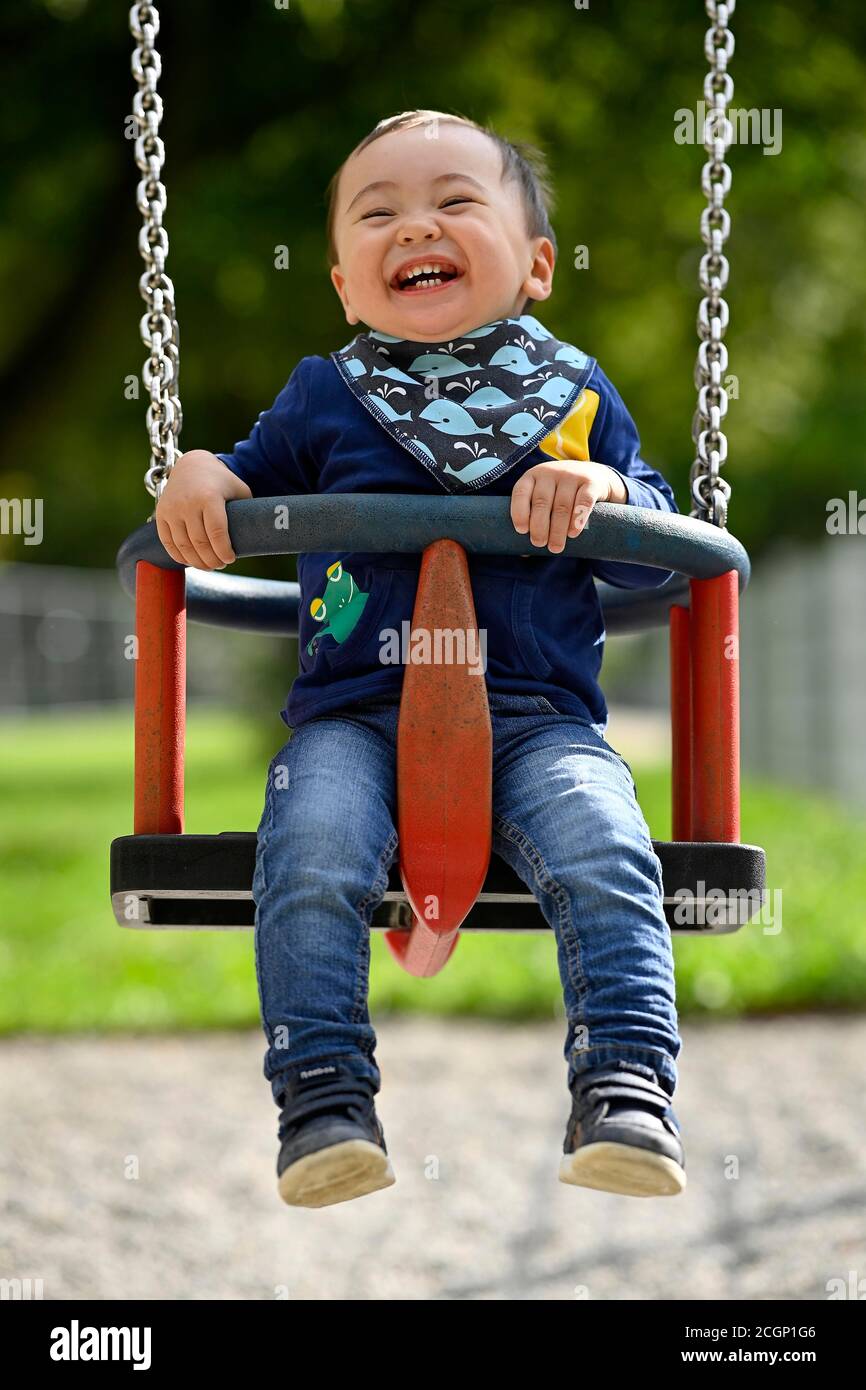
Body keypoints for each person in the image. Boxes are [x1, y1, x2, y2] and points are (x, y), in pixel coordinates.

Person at [154, 109, 686, 1208]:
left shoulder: (576, 396)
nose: (415, 226)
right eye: (378, 211)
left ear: (536, 264)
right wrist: (198, 469)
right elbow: (238, 478)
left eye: (453, 202)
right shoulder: (323, 394)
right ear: (347, 285)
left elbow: (659, 542)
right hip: (351, 712)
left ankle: (626, 1084)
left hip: (535, 714)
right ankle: (322, 1100)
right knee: (307, 848)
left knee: (604, 842)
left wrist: (605, 493)